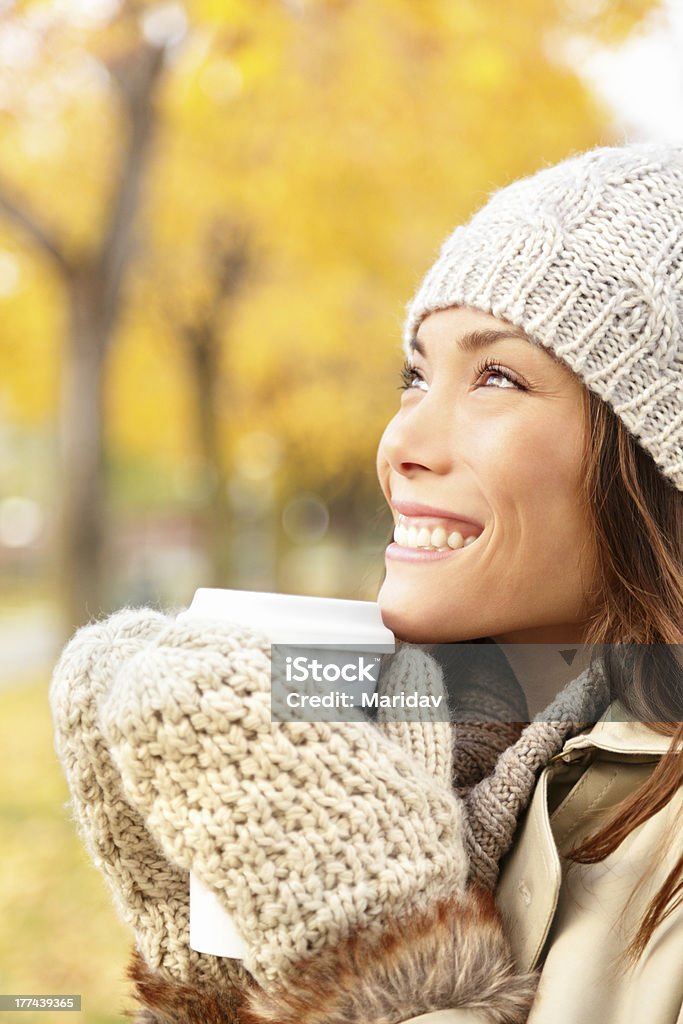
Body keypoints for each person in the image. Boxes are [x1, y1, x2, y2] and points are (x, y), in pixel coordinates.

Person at [49, 141, 682, 1024]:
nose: (400, 445)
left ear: (656, 458)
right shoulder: (454, 751)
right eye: (414, 375)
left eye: (496, 375)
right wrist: (212, 970)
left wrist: (384, 958)